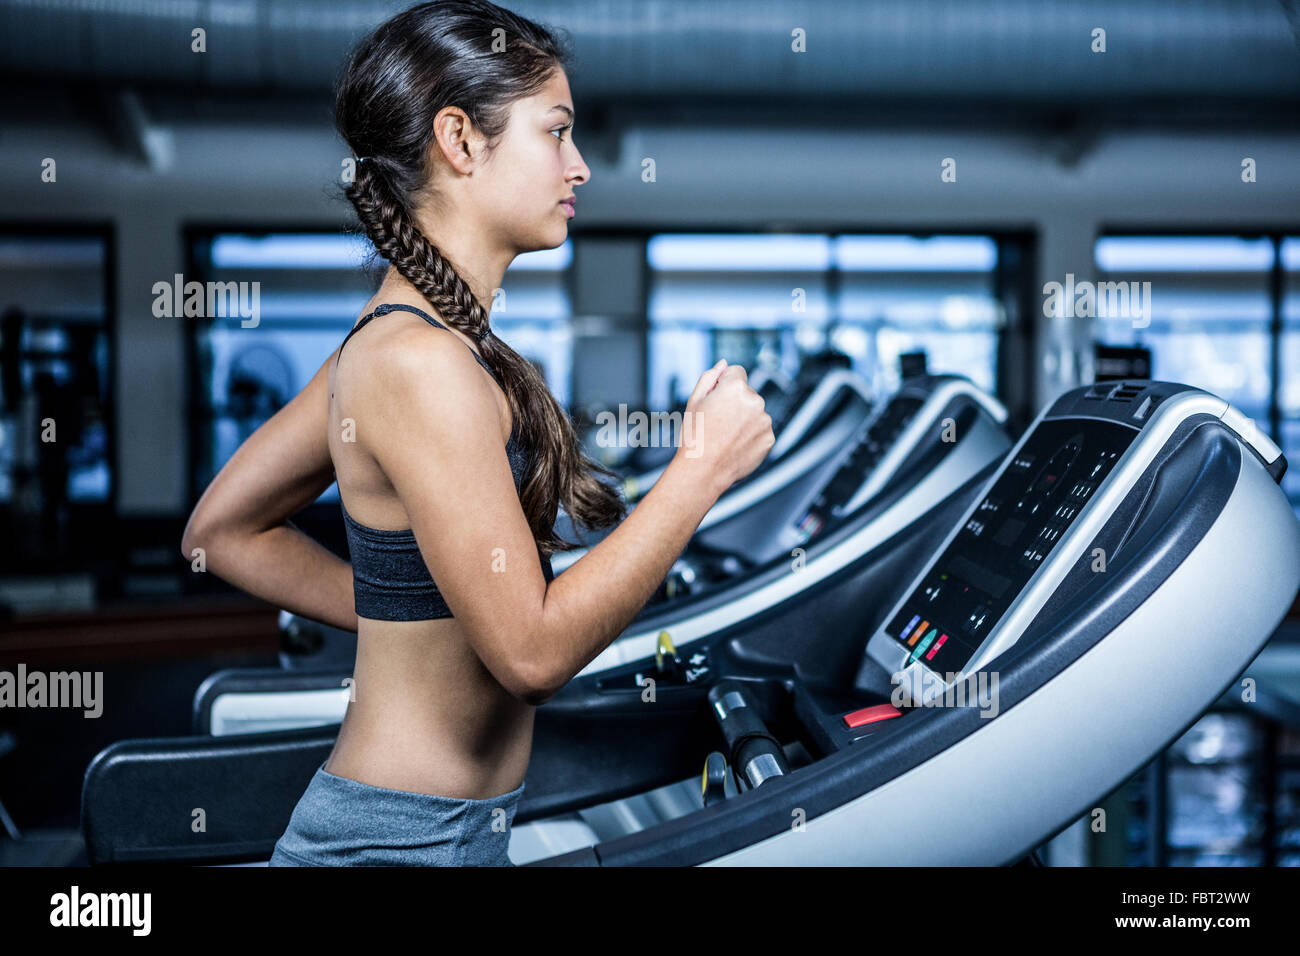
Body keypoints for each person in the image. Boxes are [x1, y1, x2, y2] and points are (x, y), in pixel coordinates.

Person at [181, 0, 773, 866]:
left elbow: (221, 529)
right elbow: (531, 654)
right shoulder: (419, 366)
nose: (579, 168)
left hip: (439, 831)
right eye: (556, 132)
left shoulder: (398, 346)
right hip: (400, 844)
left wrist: (413, 615)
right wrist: (701, 468)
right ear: (460, 141)